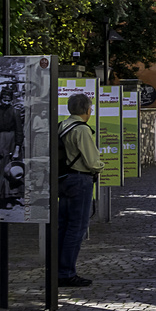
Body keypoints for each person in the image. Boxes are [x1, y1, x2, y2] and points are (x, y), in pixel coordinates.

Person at [57, 92, 104, 288]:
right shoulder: (82, 129)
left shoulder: (62, 125)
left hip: (64, 179)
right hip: (80, 180)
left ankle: (58, 269)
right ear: (87, 110)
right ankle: (66, 272)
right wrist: (100, 166)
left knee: (63, 226)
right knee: (77, 228)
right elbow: (92, 162)